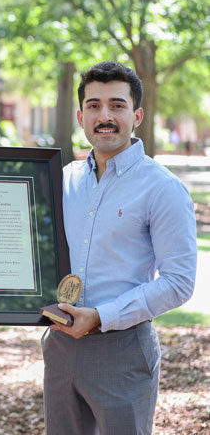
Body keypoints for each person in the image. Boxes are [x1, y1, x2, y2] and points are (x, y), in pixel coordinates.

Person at [43, 61, 197, 434]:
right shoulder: (60, 181)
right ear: (81, 116)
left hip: (123, 350)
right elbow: (19, 245)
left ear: (137, 114)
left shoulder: (162, 188)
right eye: (94, 106)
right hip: (60, 347)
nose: (105, 116)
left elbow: (179, 281)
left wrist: (101, 316)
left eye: (117, 105)